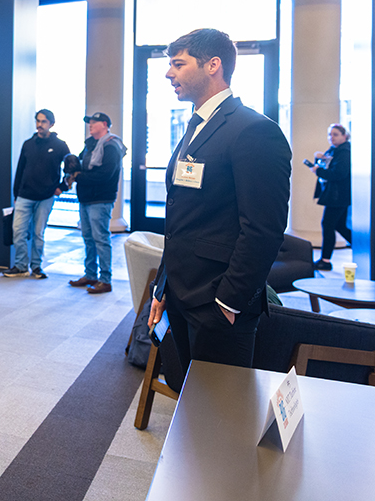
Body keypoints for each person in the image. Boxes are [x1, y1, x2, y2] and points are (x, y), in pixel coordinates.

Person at [149, 28, 291, 370]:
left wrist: (228, 302)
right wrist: (162, 287)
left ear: (213, 65)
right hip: (182, 294)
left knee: (221, 415)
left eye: (178, 64)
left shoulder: (253, 130)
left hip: (217, 304)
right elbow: (181, 218)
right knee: (191, 402)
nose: (169, 73)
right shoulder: (195, 126)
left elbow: (263, 229)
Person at [4, 109, 70, 279]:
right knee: (18, 231)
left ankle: (36, 267)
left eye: (43, 122)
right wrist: (16, 194)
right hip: (24, 195)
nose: (39, 125)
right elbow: (20, 170)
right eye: (38, 121)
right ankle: (20, 266)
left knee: (38, 233)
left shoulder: (60, 146)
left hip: (46, 196)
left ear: (51, 124)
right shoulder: (28, 144)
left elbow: (71, 170)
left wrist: (61, 187)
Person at [67, 111, 125, 294]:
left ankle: (105, 280)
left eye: (94, 122)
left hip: (101, 198)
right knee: (88, 238)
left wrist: (80, 176)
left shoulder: (111, 145)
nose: (90, 125)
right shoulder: (89, 145)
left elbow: (105, 174)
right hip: (85, 197)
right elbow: (80, 168)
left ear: (105, 124)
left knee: (100, 238)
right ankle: (91, 275)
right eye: (89, 122)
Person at [310, 123, 351, 271]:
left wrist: (318, 171)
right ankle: (364, 248)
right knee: (339, 226)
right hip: (336, 196)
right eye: (330, 134)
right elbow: (326, 166)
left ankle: (325, 260)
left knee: (328, 224)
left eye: (335, 134)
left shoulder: (344, 152)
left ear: (344, 135)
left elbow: (339, 173)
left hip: (338, 196)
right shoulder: (335, 150)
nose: (331, 138)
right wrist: (319, 159)